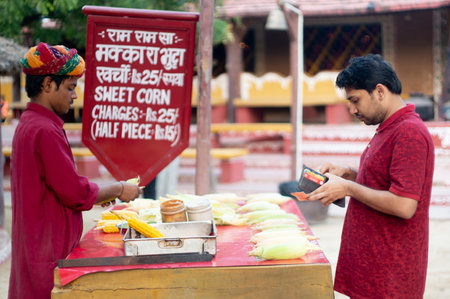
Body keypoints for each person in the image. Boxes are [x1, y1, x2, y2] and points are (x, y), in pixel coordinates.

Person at [8, 43, 142, 299]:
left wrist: (107, 195)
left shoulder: (30, 123)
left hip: (35, 247)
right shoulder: (45, 130)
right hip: (48, 254)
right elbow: (74, 192)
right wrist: (120, 188)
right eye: (70, 87)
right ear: (48, 84)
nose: (74, 95)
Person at [305, 54, 434, 298]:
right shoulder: (390, 127)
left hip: (390, 274)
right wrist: (351, 175)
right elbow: (384, 182)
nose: (352, 109)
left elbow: (405, 204)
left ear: (380, 91)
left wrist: (349, 188)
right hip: (375, 266)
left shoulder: (409, 132)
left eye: (355, 100)